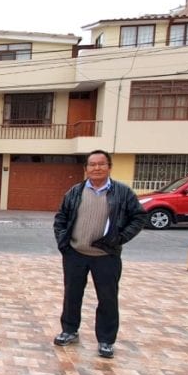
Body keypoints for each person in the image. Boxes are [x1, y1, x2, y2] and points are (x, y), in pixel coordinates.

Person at [53, 149, 147, 359]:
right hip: (76, 253)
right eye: (92, 164)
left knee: (107, 298)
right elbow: (61, 218)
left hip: (107, 255)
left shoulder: (122, 193)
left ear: (109, 167)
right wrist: (63, 243)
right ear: (86, 169)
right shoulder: (74, 192)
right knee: (72, 294)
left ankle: (106, 340)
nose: (96, 168)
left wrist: (120, 238)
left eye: (101, 164)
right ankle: (69, 330)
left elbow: (139, 217)